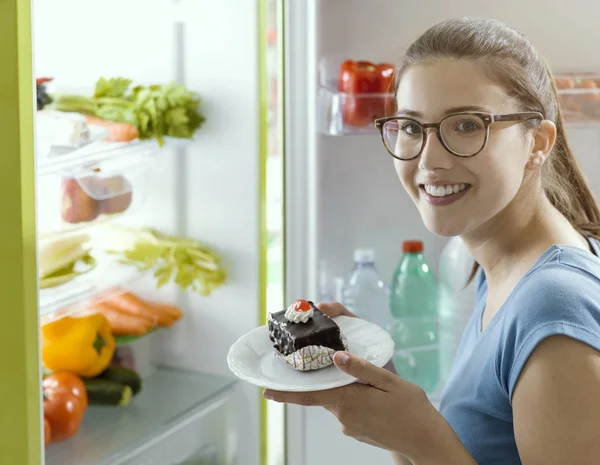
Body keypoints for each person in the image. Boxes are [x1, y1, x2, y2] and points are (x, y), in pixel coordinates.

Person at [263, 17, 600, 465]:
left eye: (465, 125)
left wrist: (421, 436)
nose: (430, 159)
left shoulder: (553, 306)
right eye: (410, 126)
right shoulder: (496, 262)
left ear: (537, 142)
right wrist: (396, 419)